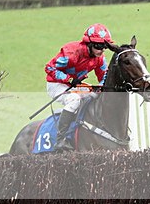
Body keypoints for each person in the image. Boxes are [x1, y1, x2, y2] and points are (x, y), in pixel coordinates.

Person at [44, 23, 113, 151]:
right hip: (56, 84)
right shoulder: (71, 52)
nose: (102, 50)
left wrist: (102, 88)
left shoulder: (99, 58)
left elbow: (104, 76)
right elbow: (49, 68)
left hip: (74, 85)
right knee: (74, 100)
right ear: (89, 44)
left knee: (94, 95)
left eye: (104, 47)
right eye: (99, 46)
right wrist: (68, 79)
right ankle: (60, 140)